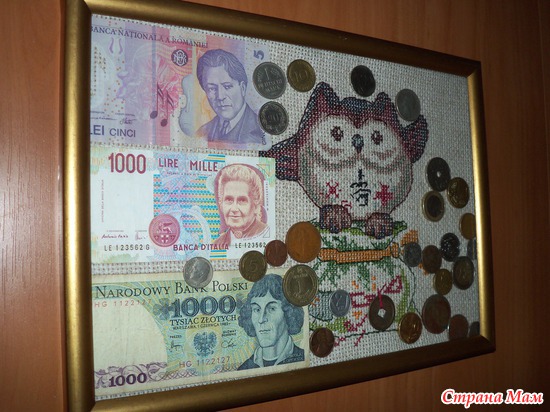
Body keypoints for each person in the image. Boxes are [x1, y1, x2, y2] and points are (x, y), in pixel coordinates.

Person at [196, 49, 265, 147]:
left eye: (227, 86)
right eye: (212, 88)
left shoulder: (261, 131)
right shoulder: (202, 133)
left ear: (243, 88)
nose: (220, 96)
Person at [238, 274, 305, 369]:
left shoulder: (304, 358)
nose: (261, 319)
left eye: (272, 308)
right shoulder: (244, 369)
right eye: (257, 309)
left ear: (289, 313)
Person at [213, 164, 269, 247]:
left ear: (256, 207)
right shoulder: (217, 244)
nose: (234, 209)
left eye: (242, 200)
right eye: (229, 200)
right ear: (221, 205)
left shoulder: (265, 233)